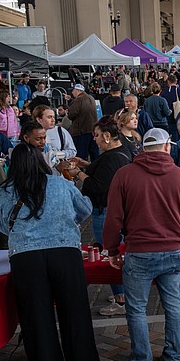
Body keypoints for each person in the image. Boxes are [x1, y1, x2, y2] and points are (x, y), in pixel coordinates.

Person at [103, 128, 180, 361]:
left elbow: (114, 217)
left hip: (139, 252)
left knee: (137, 309)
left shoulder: (124, 175)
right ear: (167, 147)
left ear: (143, 148)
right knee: (173, 305)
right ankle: (173, 358)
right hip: (172, 251)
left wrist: (112, 248)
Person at [0, 143, 98, 361]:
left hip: (26, 255)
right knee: (75, 308)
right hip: (64, 250)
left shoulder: (5, 191)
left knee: (35, 313)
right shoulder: (60, 184)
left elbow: (1, 224)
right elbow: (84, 209)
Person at [66, 116, 133, 315]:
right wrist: (86, 165)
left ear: (106, 136)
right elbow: (103, 171)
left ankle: (121, 299)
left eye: (96, 136)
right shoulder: (120, 151)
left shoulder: (112, 157)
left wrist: (77, 172)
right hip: (115, 211)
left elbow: (97, 186)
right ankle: (121, 294)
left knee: (109, 253)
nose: (93, 139)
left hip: (104, 212)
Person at [66, 84, 98, 161]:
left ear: (77, 91)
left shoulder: (78, 100)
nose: (72, 92)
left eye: (73, 90)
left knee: (80, 156)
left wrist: (67, 111)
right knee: (94, 154)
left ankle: (79, 172)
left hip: (81, 131)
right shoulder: (91, 98)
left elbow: (71, 115)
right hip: (92, 130)